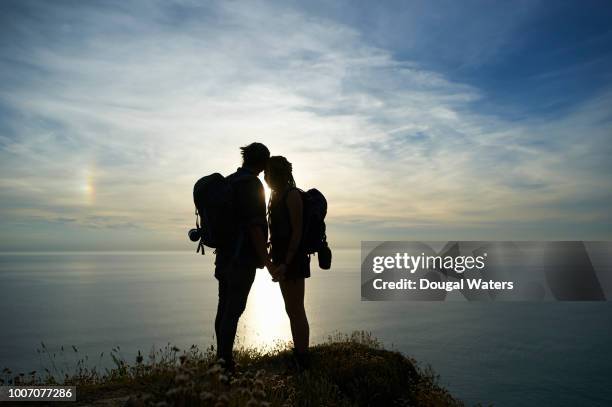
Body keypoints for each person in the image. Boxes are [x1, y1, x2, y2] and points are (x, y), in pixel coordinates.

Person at [214, 142, 276, 372]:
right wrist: (268, 263)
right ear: (263, 162)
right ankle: (225, 366)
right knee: (233, 311)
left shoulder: (230, 181)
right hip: (242, 259)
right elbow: (255, 228)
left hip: (223, 256)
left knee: (223, 308)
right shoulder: (252, 185)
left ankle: (221, 360)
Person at [264, 156, 311, 370]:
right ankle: (300, 352)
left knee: (296, 309)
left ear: (278, 174)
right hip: (283, 259)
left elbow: (297, 231)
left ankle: (303, 357)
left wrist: (287, 262)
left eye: (269, 174)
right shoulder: (276, 195)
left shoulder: (292, 196)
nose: (265, 177)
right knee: (291, 309)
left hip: (293, 260)